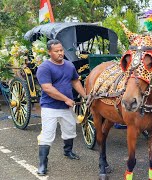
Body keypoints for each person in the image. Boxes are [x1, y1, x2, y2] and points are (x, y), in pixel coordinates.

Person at [36, 39, 86, 176]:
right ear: (49, 52)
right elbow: (48, 88)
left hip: (66, 108)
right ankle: (42, 164)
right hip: (50, 107)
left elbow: (75, 81)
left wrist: (85, 96)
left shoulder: (69, 65)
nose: (60, 53)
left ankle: (68, 151)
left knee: (70, 130)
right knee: (47, 135)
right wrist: (66, 99)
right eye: (56, 51)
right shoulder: (44, 68)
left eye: (61, 50)